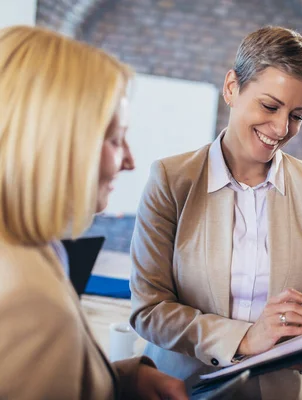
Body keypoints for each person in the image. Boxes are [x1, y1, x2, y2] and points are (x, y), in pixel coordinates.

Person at [129, 26, 302, 399]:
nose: (281, 128)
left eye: (297, 115)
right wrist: (245, 338)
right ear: (232, 87)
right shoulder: (171, 180)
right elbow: (150, 310)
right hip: (185, 387)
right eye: (270, 106)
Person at [0, 26, 187, 400]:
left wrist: (124, 380)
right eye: (116, 139)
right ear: (57, 143)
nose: (131, 161)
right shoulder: (26, 303)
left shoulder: (32, 244)